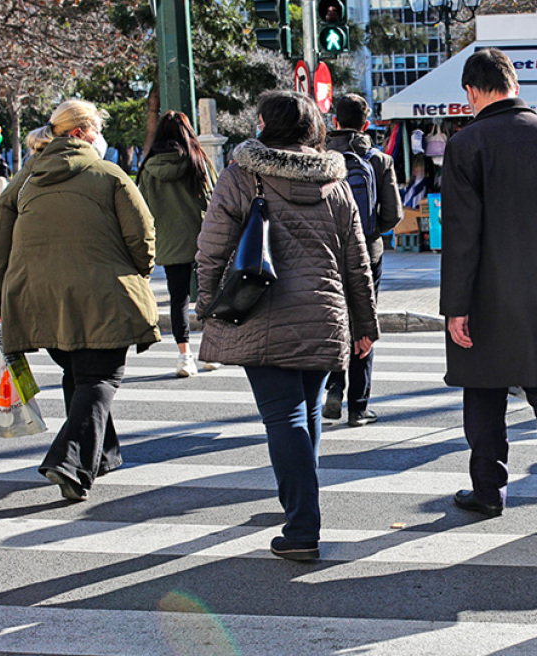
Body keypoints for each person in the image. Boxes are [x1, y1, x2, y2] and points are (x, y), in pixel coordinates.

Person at [196, 91, 378, 561]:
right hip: (324, 311)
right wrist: (364, 323)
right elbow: (356, 260)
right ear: (311, 129)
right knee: (309, 410)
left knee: (286, 416)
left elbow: (212, 247)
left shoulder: (242, 175)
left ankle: (301, 525)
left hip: (261, 311)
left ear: (262, 124)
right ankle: (301, 502)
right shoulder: (334, 181)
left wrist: (206, 304)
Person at [440, 48, 537, 544]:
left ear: (472, 91)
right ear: (513, 83)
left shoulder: (467, 144)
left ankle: (488, 491)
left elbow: (461, 234)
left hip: (486, 291)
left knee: (483, 391)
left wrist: (454, 307)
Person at [0, 99, 160, 502]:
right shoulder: (108, 174)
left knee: (79, 371)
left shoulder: (24, 181)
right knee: (101, 376)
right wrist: (137, 273)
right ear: (82, 133)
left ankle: (102, 455)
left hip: (36, 298)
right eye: (97, 130)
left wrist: (3, 299)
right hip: (101, 294)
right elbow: (143, 237)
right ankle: (70, 463)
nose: (100, 137)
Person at [322, 94, 402, 427]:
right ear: (366, 124)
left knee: (332, 320)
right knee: (363, 323)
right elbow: (393, 214)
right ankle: (359, 406)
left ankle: (334, 385)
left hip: (327, 253)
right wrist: (370, 234)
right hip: (368, 252)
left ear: (335, 123)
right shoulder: (380, 161)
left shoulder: (320, 159)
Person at [137, 110, 218, 377]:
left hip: (169, 242)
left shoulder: (148, 168)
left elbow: (143, 208)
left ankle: (185, 357)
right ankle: (210, 349)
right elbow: (214, 200)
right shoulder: (198, 161)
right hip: (202, 239)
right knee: (209, 294)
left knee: (178, 300)